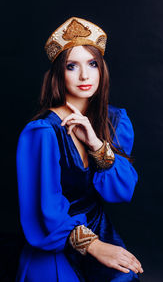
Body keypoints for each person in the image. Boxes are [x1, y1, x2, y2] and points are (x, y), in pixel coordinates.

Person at [15, 17, 143, 282]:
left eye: (92, 64)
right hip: (54, 239)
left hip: (100, 226)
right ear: (58, 73)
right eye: (72, 66)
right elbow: (44, 209)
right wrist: (94, 246)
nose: (85, 75)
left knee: (124, 277)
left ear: (101, 69)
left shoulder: (115, 120)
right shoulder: (42, 132)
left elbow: (122, 191)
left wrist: (96, 144)